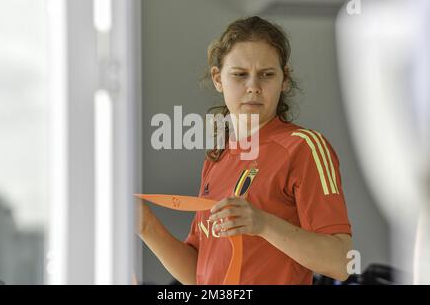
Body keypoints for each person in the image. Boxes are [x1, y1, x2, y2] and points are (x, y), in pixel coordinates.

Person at [137, 16, 352, 285]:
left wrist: (262, 224)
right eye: (239, 75)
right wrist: (144, 223)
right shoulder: (217, 159)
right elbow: (200, 276)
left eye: (267, 74)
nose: (253, 86)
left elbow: (342, 262)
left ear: (284, 79)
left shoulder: (304, 147)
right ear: (218, 79)